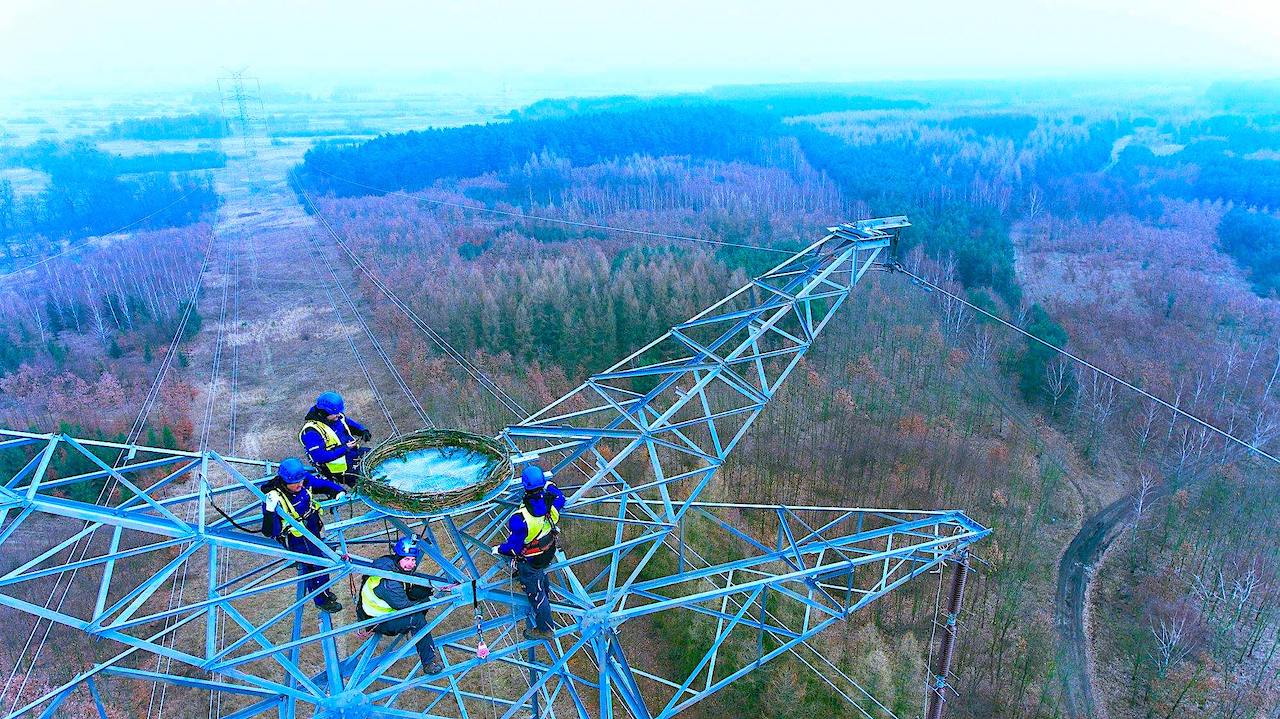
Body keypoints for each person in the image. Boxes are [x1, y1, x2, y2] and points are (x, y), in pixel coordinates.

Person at [261, 457, 345, 613]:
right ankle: (321, 599)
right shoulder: (275, 497)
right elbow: (269, 531)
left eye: (301, 481)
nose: (300, 485)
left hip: (311, 529)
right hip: (298, 540)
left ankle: (325, 591)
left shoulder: (302, 482)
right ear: (285, 481)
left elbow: (321, 485)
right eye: (296, 483)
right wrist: (270, 511)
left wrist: (338, 490)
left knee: (322, 563)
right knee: (314, 567)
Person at [493, 465, 565, 641]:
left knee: (535, 593)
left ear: (525, 485)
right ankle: (543, 588)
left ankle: (545, 628)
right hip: (547, 551)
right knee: (539, 573)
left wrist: (499, 549)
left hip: (532, 560)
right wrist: (548, 486)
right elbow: (560, 496)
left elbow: (513, 548)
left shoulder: (521, 519)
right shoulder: (552, 504)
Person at [358, 536, 444, 675]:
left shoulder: (390, 564)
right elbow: (406, 608)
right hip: (378, 621)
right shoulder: (389, 584)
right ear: (399, 558)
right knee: (417, 619)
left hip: (385, 608)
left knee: (422, 589)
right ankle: (429, 663)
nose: (411, 564)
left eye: (413, 559)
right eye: (407, 559)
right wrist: (429, 601)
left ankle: (410, 628)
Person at [299, 391, 372, 488]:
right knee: (368, 482)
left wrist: (362, 431)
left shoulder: (336, 416)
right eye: (335, 413)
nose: (338, 415)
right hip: (340, 470)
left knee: (375, 456)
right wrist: (345, 448)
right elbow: (320, 457)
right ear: (324, 413)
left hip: (352, 454)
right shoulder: (311, 432)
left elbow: (347, 422)